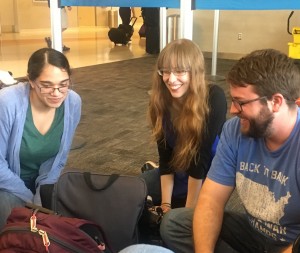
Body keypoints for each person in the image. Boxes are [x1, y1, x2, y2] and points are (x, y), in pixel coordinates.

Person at [161, 49, 300, 253]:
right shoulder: (235, 129)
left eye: (241, 102)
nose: (233, 110)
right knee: (175, 223)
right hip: (253, 234)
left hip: (293, 243)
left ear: (276, 102)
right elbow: (211, 201)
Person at [139, 38, 227, 240]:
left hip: (208, 176)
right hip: (178, 170)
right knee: (134, 189)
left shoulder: (214, 97)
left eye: (180, 71)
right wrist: (166, 205)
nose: (171, 79)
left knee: (174, 224)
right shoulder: (160, 101)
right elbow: (166, 158)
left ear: (194, 72)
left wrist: (186, 213)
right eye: (166, 71)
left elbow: (200, 160)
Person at [0, 47, 81, 230]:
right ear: (31, 81)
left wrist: (42, 194)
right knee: (15, 221)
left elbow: (58, 159)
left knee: (69, 218)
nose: (57, 93)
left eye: (64, 84)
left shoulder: (72, 103)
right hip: (6, 180)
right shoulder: (7, 102)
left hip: (43, 180)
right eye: (46, 85)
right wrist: (28, 197)